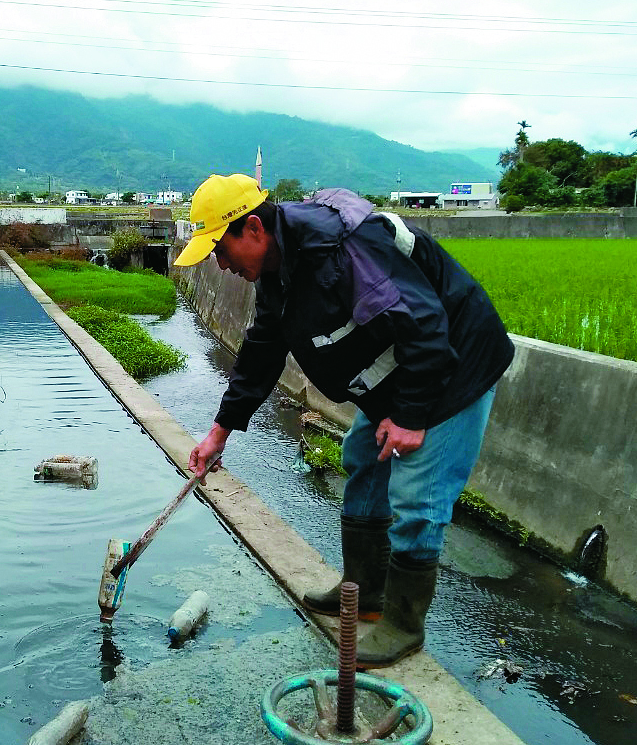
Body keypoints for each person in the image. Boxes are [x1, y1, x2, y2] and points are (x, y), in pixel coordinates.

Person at [175, 173, 514, 667]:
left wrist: (411, 416)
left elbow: (423, 322)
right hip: (402, 370)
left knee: (417, 497)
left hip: (451, 365)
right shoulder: (277, 268)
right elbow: (263, 351)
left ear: (252, 228)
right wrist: (218, 433)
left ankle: (402, 625)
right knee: (361, 456)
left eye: (219, 251)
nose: (220, 265)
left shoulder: (343, 249)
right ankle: (363, 592)